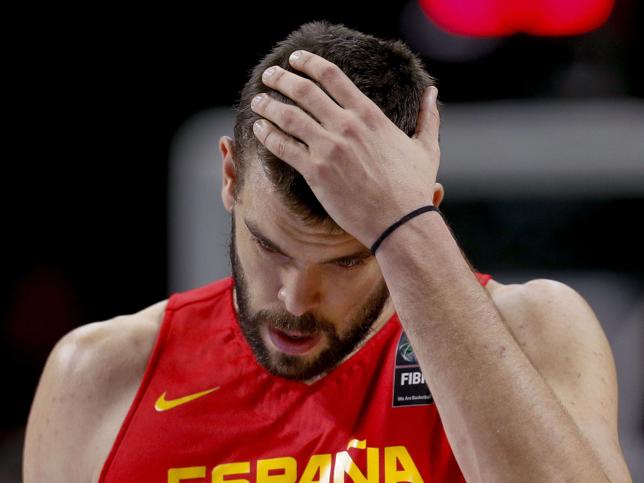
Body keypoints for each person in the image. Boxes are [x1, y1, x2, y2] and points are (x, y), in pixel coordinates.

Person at [23, 21, 632, 483]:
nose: (295, 298)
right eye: (270, 246)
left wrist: (404, 224)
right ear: (230, 178)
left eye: (347, 260)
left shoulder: (533, 330)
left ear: (423, 211)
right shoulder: (99, 374)